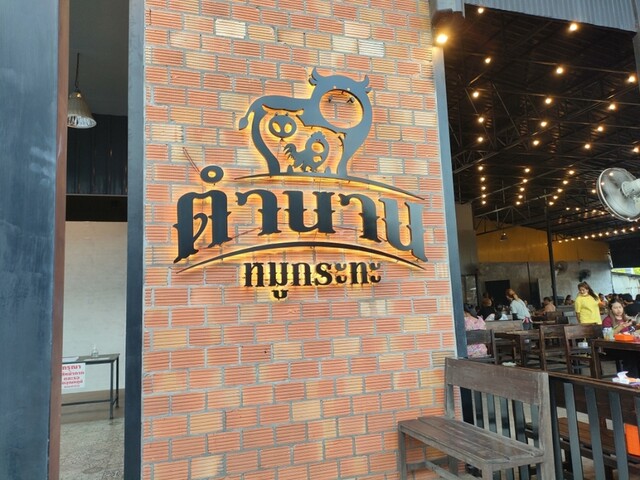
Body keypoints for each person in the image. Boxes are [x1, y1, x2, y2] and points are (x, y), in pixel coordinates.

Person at [601, 299, 639, 377]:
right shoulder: (607, 320)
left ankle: (636, 378)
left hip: (628, 346)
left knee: (637, 353)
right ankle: (631, 378)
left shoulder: (626, 319)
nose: (618, 310)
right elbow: (607, 336)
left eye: (620, 307)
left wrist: (636, 331)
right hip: (613, 347)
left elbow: (631, 331)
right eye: (615, 308)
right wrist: (620, 327)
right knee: (631, 354)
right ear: (610, 309)